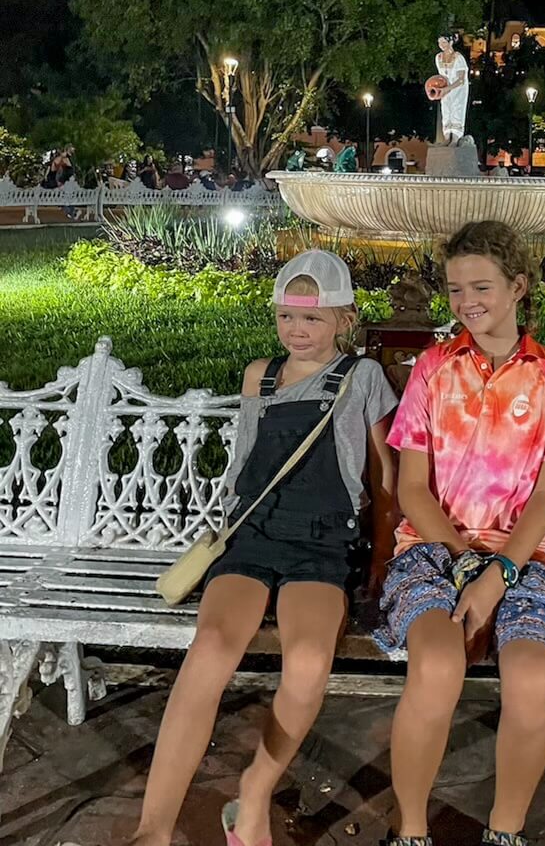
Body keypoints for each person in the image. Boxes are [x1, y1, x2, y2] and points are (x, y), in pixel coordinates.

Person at [129, 251, 398, 846]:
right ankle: (153, 829)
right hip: (254, 535)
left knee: (307, 660)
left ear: (343, 320)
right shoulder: (261, 374)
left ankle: (253, 792)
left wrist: (382, 560)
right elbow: (245, 464)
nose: (297, 332)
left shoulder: (363, 377)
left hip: (322, 543)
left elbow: (384, 481)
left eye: (313, 320)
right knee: (211, 647)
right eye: (286, 318)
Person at [375, 220, 545, 846]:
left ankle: (504, 833)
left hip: (523, 556)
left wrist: (499, 572)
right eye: (453, 290)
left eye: (480, 286)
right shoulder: (433, 369)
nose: (465, 303)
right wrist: (459, 563)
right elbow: (413, 489)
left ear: (518, 287)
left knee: (532, 679)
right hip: (431, 550)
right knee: (438, 663)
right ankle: (412, 831)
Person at [434, 34, 470, 146]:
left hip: (457, 90)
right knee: (446, 110)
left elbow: (461, 80)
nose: (442, 45)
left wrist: (448, 88)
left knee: (456, 110)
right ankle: (446, 137)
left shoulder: (458, 58)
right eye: (440, 43)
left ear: (450, 43)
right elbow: (441, 75)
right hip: (445, 90)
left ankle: (455, 138)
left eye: (444, 42)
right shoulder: (438, 57)